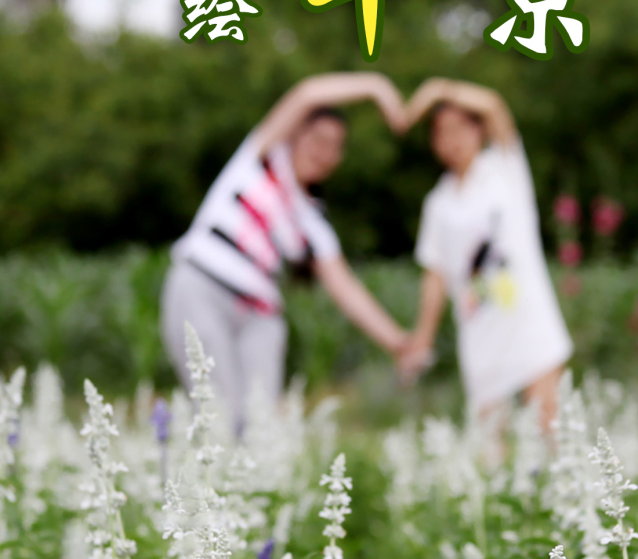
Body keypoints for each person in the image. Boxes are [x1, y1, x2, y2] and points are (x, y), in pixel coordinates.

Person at [161, 73, 409, 432]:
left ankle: (256, 487)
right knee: (219, 416)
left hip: (259, 315)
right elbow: (307, 93)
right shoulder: (259, 159)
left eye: (336, 147)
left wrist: (397, 341)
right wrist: (377, 87)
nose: (325, 153)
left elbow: (346, 289)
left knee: (263, 428)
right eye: (319, 140)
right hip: (203, 289)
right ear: (295, 135)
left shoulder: (312, 222)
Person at [400, 78, 572, 430]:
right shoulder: (439, 203)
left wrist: (436, 90)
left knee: (550, 430)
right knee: (490, 446)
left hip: (528, 320)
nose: (453, 140)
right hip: (479, 329)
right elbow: (435, 274)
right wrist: (422, 337)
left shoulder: (503, 170)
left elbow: (493, 104)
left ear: (478, 131)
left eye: (460, 128)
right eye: (442, 132)